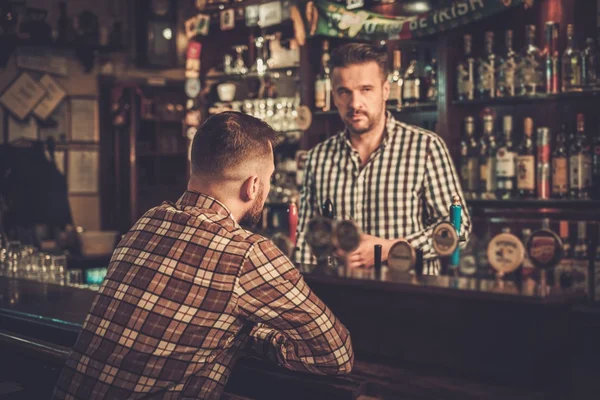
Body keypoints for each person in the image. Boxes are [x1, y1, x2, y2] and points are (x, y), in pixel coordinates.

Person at [53, 112, 353, 400]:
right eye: (269, 177)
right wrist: (250, 337)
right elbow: (336, 354)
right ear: (253, 186)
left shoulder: (148, 221)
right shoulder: (247, 253)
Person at [295, 43, 471, 274]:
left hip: (412, 296)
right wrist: (327, 263)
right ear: (334, 96)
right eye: (344, 91)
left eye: (366, 89)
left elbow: (458, 230)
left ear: (385, 90)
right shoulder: (318, 158)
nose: (355, 103)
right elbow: (305, 242)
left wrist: (391, 248)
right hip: (341, 296)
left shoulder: (425, 147)